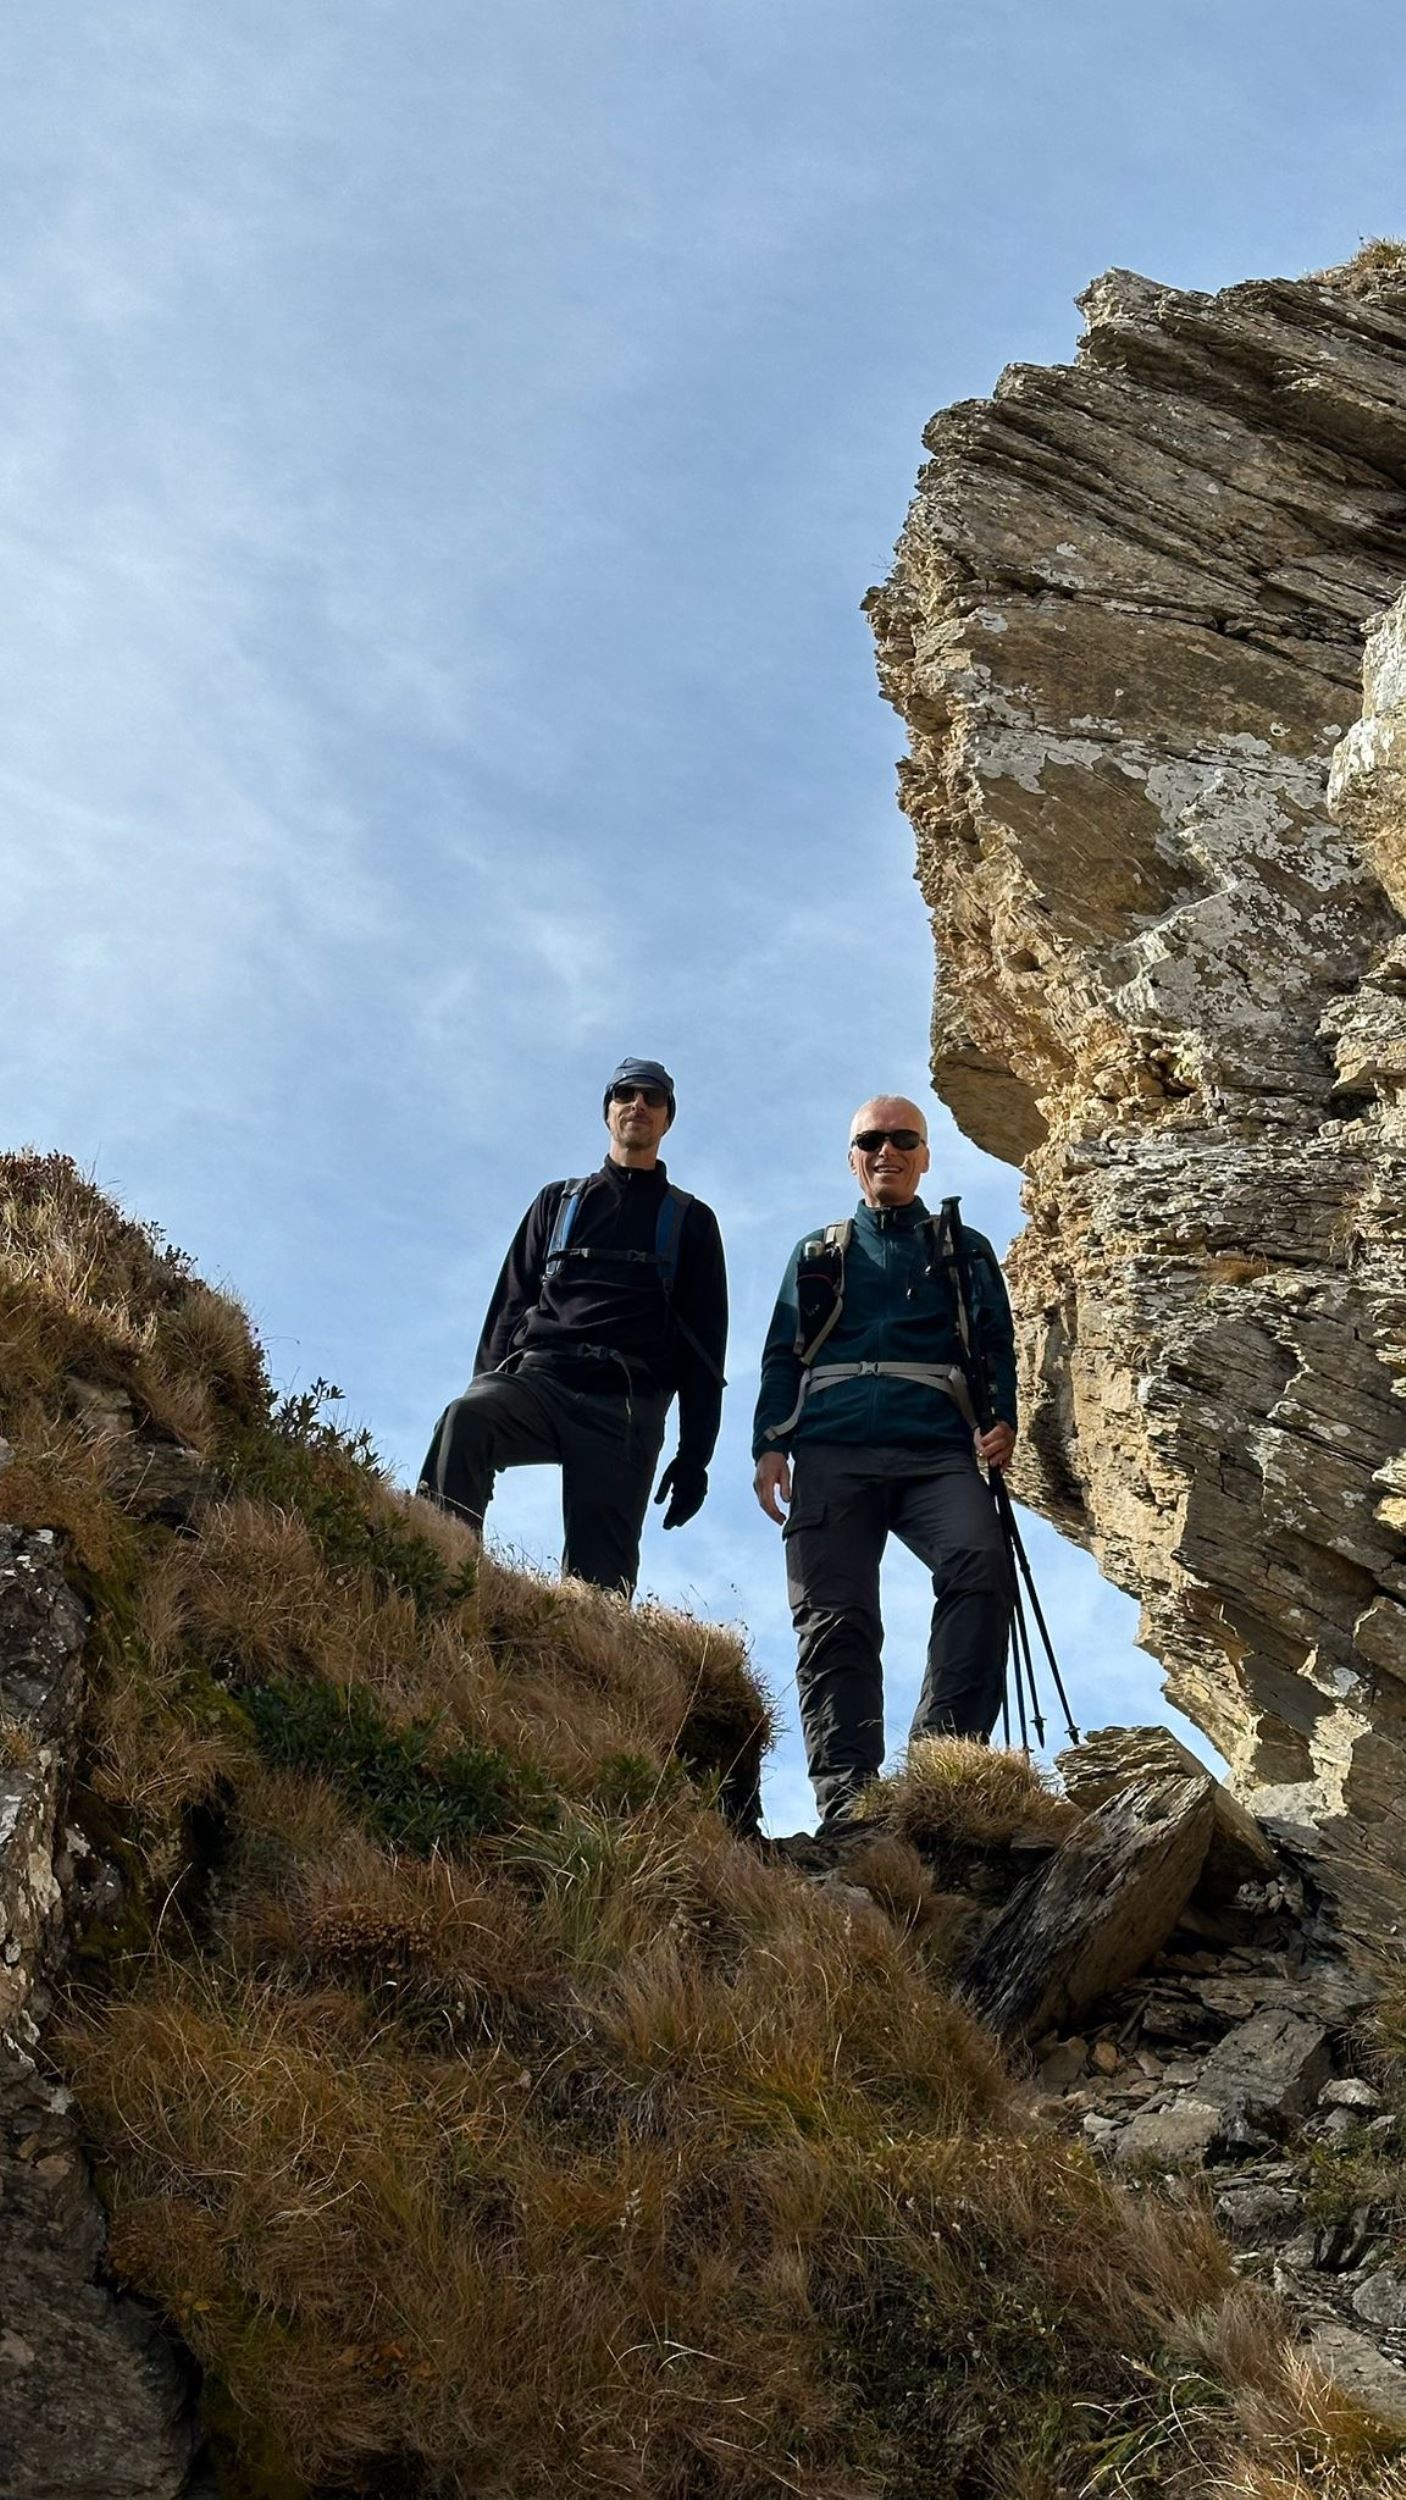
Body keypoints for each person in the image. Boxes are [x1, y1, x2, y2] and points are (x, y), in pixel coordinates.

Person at [752, 1094, 1017, 1831]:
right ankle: (851, 1805)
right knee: (835, 1619)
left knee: (981, 1570)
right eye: (871, 1141)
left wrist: (1003, 1422)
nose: (887, 1152)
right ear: (853, 1158)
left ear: (926, 1156)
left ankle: (938, 1773)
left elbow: (995, 1345)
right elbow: (783, 1353)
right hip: (832, 1446)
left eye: (904, 1140)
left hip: (938, 1448)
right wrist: (771, 1443)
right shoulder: (818, 1252)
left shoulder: (964, 1249)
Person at [419, 1058, 727, 1597]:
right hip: (541, 1381)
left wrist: (694, 1457)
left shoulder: (692, 1222)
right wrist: (486, 1385)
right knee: (466, 1420)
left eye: (652, 1099)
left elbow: (705, 1353)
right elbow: (508, 1309)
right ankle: (439, 1579)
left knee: (599, 1592)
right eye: (626, 1094)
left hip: (625, 1405)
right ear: (608, 1111)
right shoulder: (557, 1203)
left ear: (667, 1120)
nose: (638, 1105)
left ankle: (581, 1673)